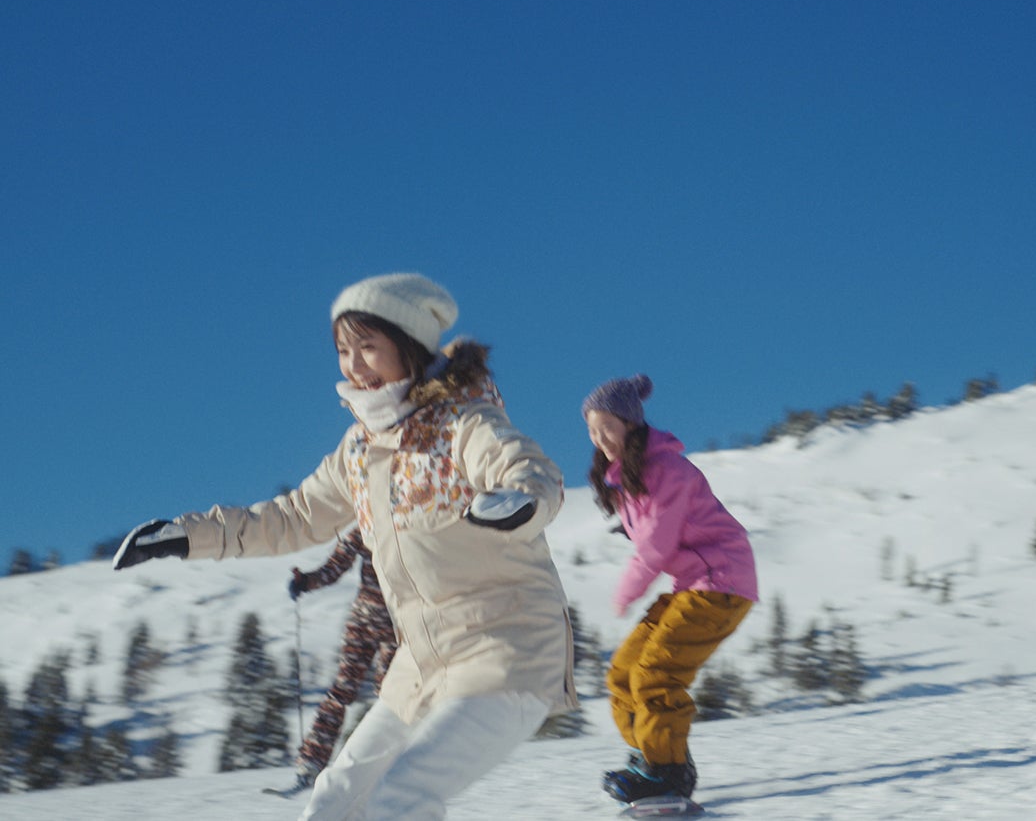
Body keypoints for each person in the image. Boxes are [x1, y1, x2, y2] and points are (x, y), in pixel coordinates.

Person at [112, 272, 576, 820]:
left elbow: (523, 465)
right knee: (335, 799)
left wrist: (521, 498)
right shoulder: (359, 449)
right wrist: (190, 535)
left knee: (401, 800)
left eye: (368, 347)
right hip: (421, 666)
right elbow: (294, 516)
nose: (354, 364)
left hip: (508, 650)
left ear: (409, 345)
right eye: (342, 350)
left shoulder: (463, 421)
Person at [582, 374, 758, 805]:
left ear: (630, 423)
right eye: (591, 429)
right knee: (623, 673)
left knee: (657, 675)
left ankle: (669, 773)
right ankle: (652, 758)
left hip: (722, 581)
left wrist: (625, 592)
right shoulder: (629, 479)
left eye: (607, 426)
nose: (600, 437)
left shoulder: (667, 470)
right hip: (692, 585)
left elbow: (656, 546)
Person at [287, 529, 399, 792]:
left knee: (391, 698)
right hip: (366, 624)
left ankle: (386, 764)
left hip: (396, 627)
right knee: (343, 690)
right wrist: (306, 581)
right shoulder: (367, 528)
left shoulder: (409, 527)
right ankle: (310, 764)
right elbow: (335, 566)